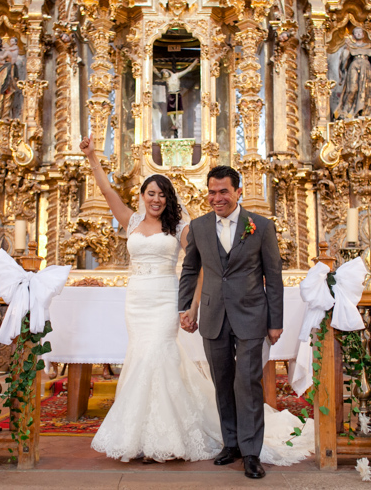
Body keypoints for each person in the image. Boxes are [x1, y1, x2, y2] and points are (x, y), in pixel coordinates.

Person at [79, 138, 311, 470]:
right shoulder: (133, 221)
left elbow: (205, 264)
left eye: (162, 194)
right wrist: (92, 158)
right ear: (142, 196)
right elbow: (106, 192)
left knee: (178, 363)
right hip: (138, 302)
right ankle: (146, 434)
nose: (156, 199)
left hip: (170, 302)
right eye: (151, 193)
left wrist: (191, 306)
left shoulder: (185, 228)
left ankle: (225, 447)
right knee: (145, 360)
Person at [178, 165, 284, 479]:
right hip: (213, 315)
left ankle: (252, 453)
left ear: (238, 192)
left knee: (247, 383)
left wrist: (275, 321)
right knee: (222, 382)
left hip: (251, 315)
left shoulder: (260, 226)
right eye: (212, 192)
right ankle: (232, 443)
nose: (217, 198)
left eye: (223, 191)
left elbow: (273, 276)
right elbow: (189, 270)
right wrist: (186, 308)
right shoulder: (198, 227)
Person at [334, 27, 371, 120]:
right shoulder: (350, 47)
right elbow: (344, 60)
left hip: (366, 67)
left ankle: (364, 111)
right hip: (354, 66)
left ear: (363, 35)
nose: (358, 34)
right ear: (353, 35)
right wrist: (347, 48)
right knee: (352, 88)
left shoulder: (368, 47)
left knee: (365, 88)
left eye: (360, 32)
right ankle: (347, 111)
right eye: (356, 32)